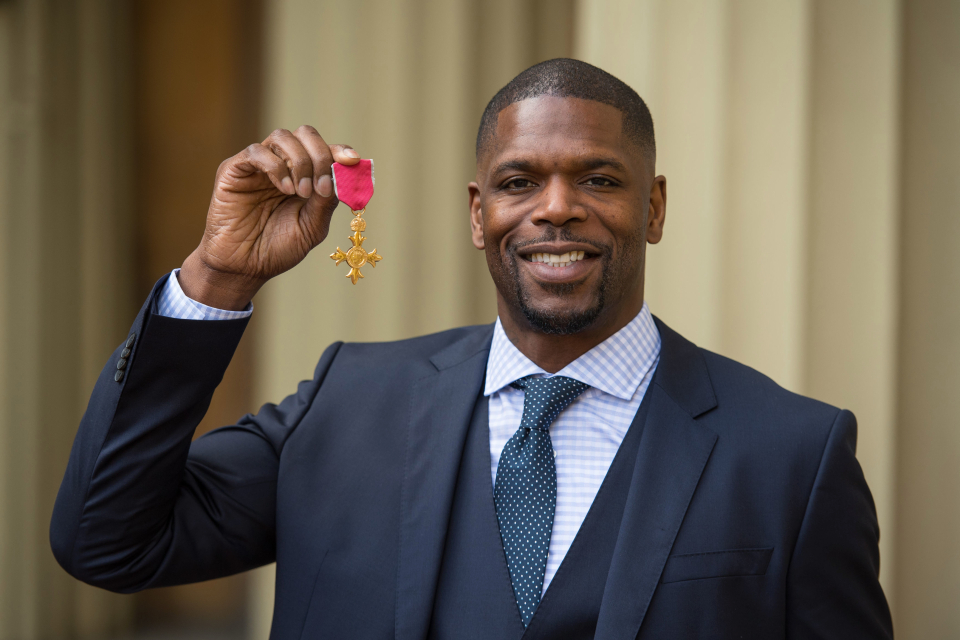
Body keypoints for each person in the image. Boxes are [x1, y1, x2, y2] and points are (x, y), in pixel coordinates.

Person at [50, 59, 893, 639]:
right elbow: (106, 539)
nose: (555, 209)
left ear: (655, 209)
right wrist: (217, 279)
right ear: (477, 212)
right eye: (519, 181)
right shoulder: (348, 403)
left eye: (599, 179)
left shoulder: (793, 454)